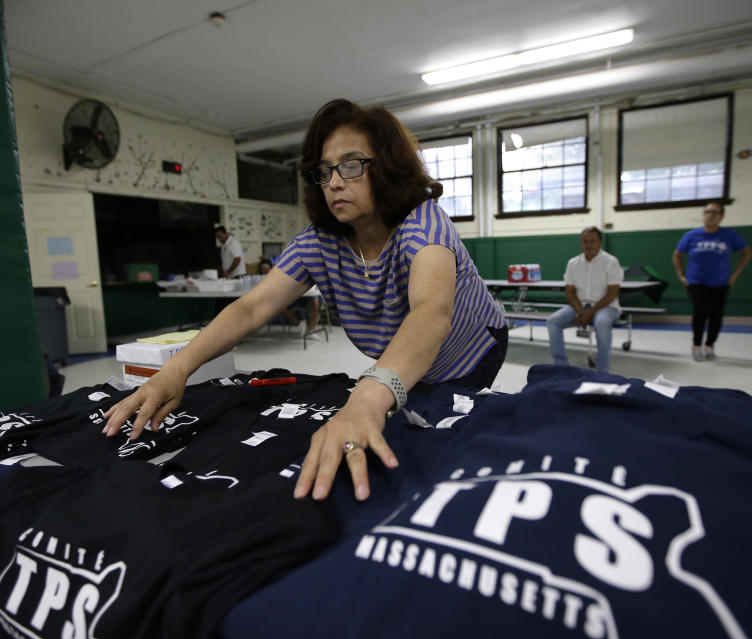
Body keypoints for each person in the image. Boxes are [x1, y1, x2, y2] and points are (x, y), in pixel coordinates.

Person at [103, 98, 507, 502]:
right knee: (395, 413)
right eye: (324, 171)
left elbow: (431, 313)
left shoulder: (423, 223)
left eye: (351, 165)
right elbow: (252, 306)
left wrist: (366, 400)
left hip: (469, 349)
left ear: (387, 167)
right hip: (405, 352)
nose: (334, 182)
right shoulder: (319, 242)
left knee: (437, 434)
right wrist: (178, 368)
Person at [672, 200, 752, 361]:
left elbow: (747, 252)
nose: (710, 215)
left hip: (721, 282)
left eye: (714, 212)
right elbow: (677, 255)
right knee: (700, 311)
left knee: (716, 314)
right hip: (696, 281)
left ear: (721, 216)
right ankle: (696, 345)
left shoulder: (729, 235)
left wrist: (735, 274)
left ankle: (710, 345)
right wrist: (681, 275)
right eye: (707, 212)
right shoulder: (691, 236)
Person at [546, 227, 622, 373]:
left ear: (600, 242)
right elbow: (569, 290)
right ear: (581, 243)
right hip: (579, 306)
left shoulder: (611, 262)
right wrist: (580, 310)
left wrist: (589, 313)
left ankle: (602, 372)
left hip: (607, 307)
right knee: (553, 321)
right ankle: (561, 366)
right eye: (585, 241)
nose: (588, 245)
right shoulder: (573, 263)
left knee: (602, 323)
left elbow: (612, 293)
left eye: (592, 241)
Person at [257, 257, 321, 336]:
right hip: (284, 299)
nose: (265, 271)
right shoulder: (260, 279)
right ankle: (299, 323)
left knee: (314, 301)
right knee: (277, 306)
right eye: (263, 269)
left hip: (301, 296)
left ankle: (312, 330)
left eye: (267, 269)